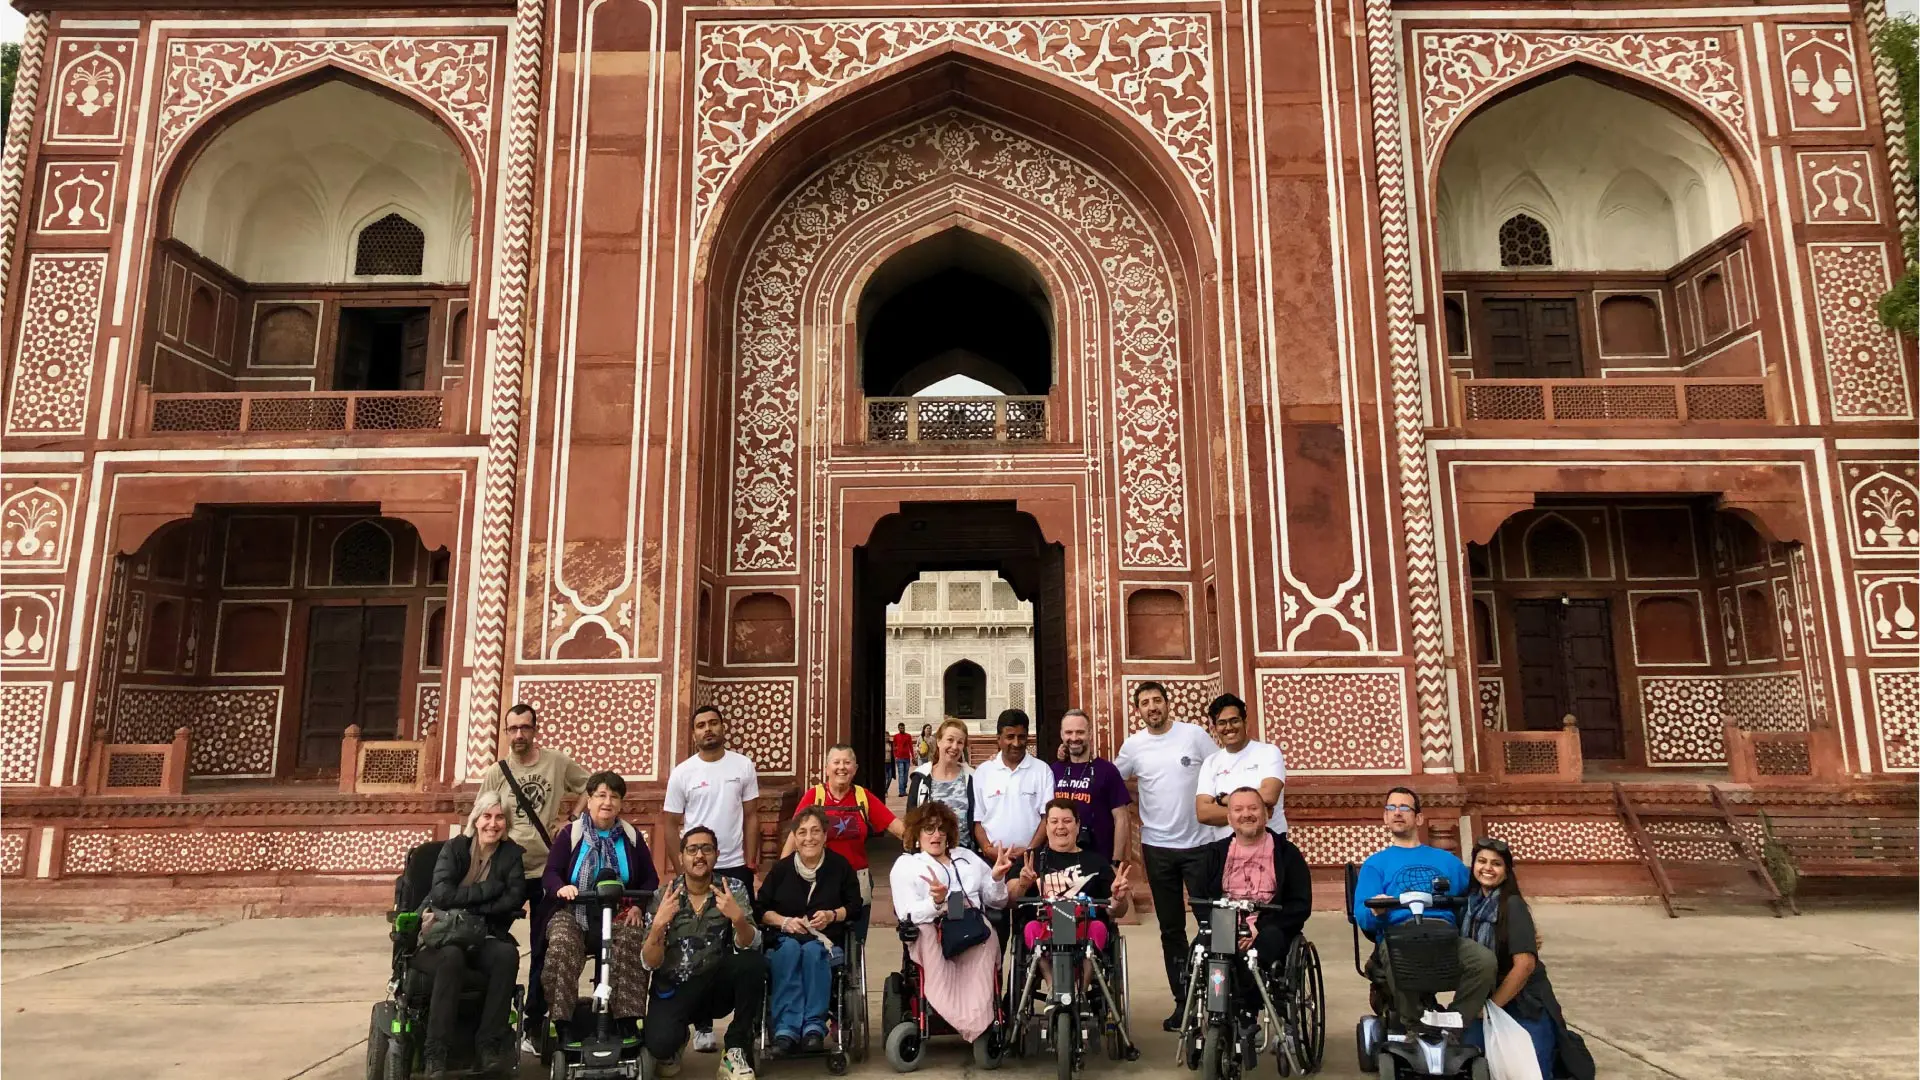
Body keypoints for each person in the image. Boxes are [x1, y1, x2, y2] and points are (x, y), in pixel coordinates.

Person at [474, 702, 589, 1048]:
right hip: (505, 869)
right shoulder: (498, 771)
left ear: (535, 729)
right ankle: (488, 1017)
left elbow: (591, 786)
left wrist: (572, 819)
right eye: (513, 729)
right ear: (506, 732)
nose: (519, 734)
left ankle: (534, 1024)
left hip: (545, 870)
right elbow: (481, 815)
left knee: (544, 947)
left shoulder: (556, 762)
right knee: (488, 941)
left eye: (525, 728)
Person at [1112, 680, 1219, 1030]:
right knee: (1171, 929)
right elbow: (1110, 781)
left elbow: (1220, 770)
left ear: (1167, 703)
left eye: (1157, 700)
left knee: (1212, 924)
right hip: (1158, 849)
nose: (1152, 707)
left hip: (1201, 845)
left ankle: (1216, 999)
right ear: (1138, 710)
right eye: (1145, 703)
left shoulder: (1194, 736)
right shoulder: (1134, 746)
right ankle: (1183, 1002)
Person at [1351, 786, 1496, 1028]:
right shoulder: (1375, 865)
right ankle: (1415, 1025)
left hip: (1444, 936)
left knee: (1484, 962)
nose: (1398, 813)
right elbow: (1362, 916)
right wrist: (1377, 911)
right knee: (1399, 962)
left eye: (1404, 808)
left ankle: (1454, 1021)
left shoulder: (1447, 861)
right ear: (1385, 817)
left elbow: (1479, 894)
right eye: (1392, 808)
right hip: (1399, 936)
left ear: (1418, 818)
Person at [663, 704, 761, 1052]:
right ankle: (703, 1024)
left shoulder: (742, 766)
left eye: (713, 723)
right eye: (701, 725)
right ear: (694, 733)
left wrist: (750, 861)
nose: (708, 730)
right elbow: (671, 823)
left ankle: (745, 1025)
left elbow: (751, 815)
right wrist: (680, 867)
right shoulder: (683, 772)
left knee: (739, 941)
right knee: (697, 940)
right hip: (697, 866)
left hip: (733, 865)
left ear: (723, 727)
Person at [1460, 838, 1595, 1080]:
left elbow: (1525, 965)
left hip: (1524, 1001)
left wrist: (1491, 1009)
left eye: (1496, 864)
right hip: (1486, 996)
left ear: (1506, 871)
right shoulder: (1470, 905)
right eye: (1481, 861)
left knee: (1531, 1071)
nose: (1487, 868)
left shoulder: (1512, 905)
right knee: (1468, 1061)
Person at [539, 772, 660, 1033]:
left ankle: (626, 1021)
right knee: (561, 945)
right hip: (575, 911)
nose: (608, 802)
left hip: (621, 911)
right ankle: (563, 1022)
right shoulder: (571, 834)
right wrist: (562, 888)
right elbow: (550, 874)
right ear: (590, 800)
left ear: (620, 803)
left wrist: (639, 905)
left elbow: (650, 879)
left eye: (614, 797)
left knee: (632, 939)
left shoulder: (631, 836)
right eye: (601, 795)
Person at [416, 791, 526, 1079]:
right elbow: (440, 894)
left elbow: (513, 900)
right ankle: (435, 1053)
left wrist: (466, 902)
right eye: (487, 816)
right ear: (475, 819)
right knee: (451, 957)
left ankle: (488, 1045)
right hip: (443, 935)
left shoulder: (511, 855)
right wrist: (489, 891)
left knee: (506, 955)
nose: (493, 823)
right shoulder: (455, 849)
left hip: (485, 935)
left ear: (507, 822)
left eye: (500, 817)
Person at [642, 826, 766, 1080]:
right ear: (681, 857)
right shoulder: (662, 896)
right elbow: (650, 962)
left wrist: (738, 919)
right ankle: (677, 1037)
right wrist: (657, 927)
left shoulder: (732, 888)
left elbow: (750, 943)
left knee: (752, 963)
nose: (699, 855)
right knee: (659, 1046)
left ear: (716, 855)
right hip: (675, 987)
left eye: (706, 849)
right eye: (692, 849)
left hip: (715, 985)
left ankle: (735, 1049)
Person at [890, 801, 1016, 1043]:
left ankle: (978, 1019)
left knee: (986, 938)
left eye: (941, 829)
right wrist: (936, 903)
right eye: (929, 829)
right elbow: (906, 913)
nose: (936, 835)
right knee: (927, 937)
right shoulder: (907, 866)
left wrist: (997, 877)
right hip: (930, 927)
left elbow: (996, 901)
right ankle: (961, 1016)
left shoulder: (966, 858)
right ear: (917, 834)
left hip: (970, 925)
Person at [757, 807, 862, 1055]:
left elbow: (855, 906)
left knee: (814, 953)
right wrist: (783, 922)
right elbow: (760, 909)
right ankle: (786, 1029)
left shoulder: (839, 866)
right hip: (785, 939)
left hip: (825, 941)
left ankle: (813, 1027)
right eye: (802, 832)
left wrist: (832, 915)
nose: (809, 838)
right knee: (790, 951)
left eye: (815, 831)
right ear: (794, 837)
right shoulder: (782, 870)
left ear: (825, 835)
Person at [1006, 800, 1133, 990]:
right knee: (1030, 928)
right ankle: (1052, 986)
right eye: (1054, 821)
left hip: (1085, 928)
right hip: (1044, 929)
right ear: (1046, 825)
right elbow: (1011, 898)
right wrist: (1024, 884)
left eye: (1067, 821)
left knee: (1099, 928)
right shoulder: (1031, 858)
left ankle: (1081, 991)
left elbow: (1118, 912)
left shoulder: (1096, 862)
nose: (1060, 827)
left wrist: (1118, 898)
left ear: (1077, 824)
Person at [789, 743, 905, 938]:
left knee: (856, 936)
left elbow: (897, 828)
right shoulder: (815, 796)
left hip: (857, 878)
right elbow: (795, 836)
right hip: (820, 876)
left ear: (855, 769)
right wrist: (784, 873)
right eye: (836, 762)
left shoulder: (862, 797)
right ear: (827, 769)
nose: (841, 767)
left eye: (847, 762)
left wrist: (925, 840)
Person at [1194, 788, 1312, 970]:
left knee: (1267, 944)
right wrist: (1225, 927)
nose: (1246, 815)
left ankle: (1251, 997)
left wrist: (1260, 927)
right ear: (1229, 819)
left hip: (1269, 926)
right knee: (1202, 949)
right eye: (1238, 810)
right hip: (1225, 925)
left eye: (1253, 808)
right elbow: (1200, 899)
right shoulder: (1214, 854)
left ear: (1266, 815)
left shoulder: (1287, 853)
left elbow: (1299, 905)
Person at [1044, 708, 1132, 864]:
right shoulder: (1053, 771)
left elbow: (1121, 818)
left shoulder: (1107, 771)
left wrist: (1117, 861)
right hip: (1059, 860)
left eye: (1080, 732)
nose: (1074, 737)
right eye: (1069, 733)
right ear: (1062, 735)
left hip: (1099, 860)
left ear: (1090, 734)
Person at [1194, 693, 1288, 839]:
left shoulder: (1268, 752)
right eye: (1222, 723)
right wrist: (1254, 810)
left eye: (1234, 721)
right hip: (1228, 849)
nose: (1229, 727)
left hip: (1269, 845)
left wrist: (1223, 800)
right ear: (1214, 728)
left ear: (1245, 722)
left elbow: (1269, 796)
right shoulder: (1211, 762)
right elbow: (1203, 813)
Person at [970, 709, 1053, 860]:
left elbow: (1046, 818)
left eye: (1021, 737)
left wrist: (1030, 850)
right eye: (1010, 737)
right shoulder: (983, 772)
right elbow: (978, 820)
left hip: (1031, 860)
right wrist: (988, 850)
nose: (1016, 743)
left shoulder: (1042, 770)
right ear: (998, 739)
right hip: (993, 860)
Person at [906, 718, 976, 848]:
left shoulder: (971, 778)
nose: (954, 747)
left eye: (960, 742)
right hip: (929, 856)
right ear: (938, 741)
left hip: (963, 856)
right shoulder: (921, 777)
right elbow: (911, 819)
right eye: (950, 740)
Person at [889, 723, 917, 796]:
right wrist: (895, 756)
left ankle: (904, 789)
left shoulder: (908, 736)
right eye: (901, 728)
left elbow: (910, 746)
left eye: (903, 728)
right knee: (901, 775)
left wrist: (913, 756)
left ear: (904, 728)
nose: (902, 729)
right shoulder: (896, 736)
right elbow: (894, 747)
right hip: (899, 758)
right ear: (898, 728)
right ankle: (901, 792)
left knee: (905, 775)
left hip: (907, 758)